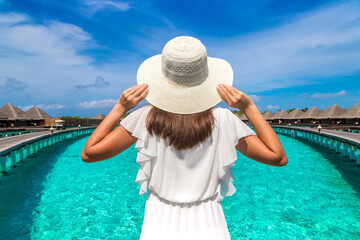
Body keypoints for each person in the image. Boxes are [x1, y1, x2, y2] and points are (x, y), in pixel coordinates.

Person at [81, 36, 287, 239]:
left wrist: (120, 108)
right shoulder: (224, 119)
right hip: (209, 222)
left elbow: (89, 154)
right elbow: (278, 158)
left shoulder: (145, 117)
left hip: (158, 222)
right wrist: (248, 107)